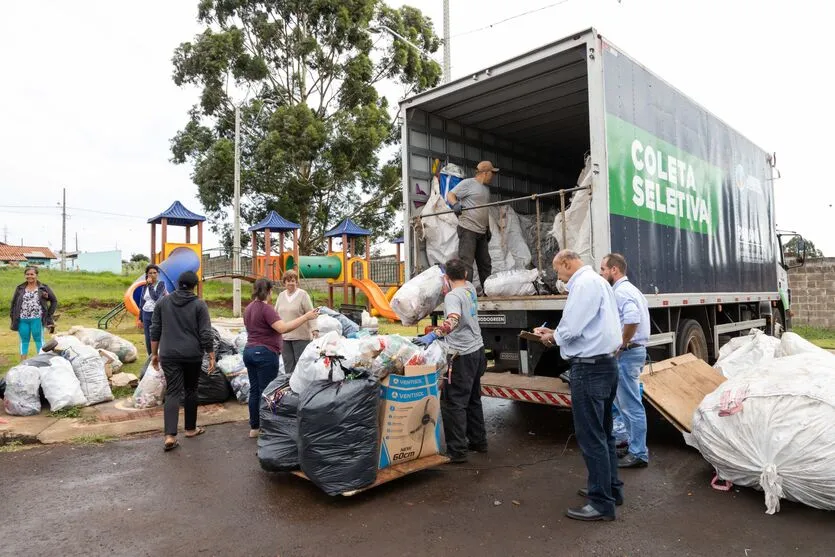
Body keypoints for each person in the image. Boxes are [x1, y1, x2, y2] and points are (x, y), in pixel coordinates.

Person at [533, 250, 623, 522]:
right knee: (604, 433)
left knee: (592, 437)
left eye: (558, 271)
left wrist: (552, 338)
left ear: (566, 263)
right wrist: (557, 333)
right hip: (606, 365)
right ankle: (610, 490)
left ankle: (601, 503)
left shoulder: (583, 284)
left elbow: (571, 328)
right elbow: (584, 326)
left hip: (589, 368)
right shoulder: (598, 283)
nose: (558, 277)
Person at [413, 258, 487, 464]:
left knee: (454, 403)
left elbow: (453, 320)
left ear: (446, 278)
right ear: (464, 275)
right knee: (473, 399)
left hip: (461, 355)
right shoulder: (470, 289)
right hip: (477, 351)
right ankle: (479, 442)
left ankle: (457, 451)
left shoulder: (453, 297)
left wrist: (434, 334)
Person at [244, 278, 318, 438]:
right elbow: (283, 328)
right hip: (264, 354)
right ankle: (267, 428)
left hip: (249, 351)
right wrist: (306, 317)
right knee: (267, 391)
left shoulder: (249, 308)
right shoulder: (266, 309)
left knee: (255, 390)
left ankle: (254, 427)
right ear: (268, 291)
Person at [150, 271, 214, 452]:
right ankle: (191, 429)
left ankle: (170, 436)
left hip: (169, 354)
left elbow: (155, 329)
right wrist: (211, 353)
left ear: (178, 284)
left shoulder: (163, 302)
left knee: (172, 392)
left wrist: (155, 354)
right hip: (192, 354)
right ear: (195, 285)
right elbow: (205, 333)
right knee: (191, 389)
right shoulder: (199, 305)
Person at [600, 253, 650, 469]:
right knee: (624, 404)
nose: (601, 273)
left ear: (614, 270)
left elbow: (632, 319)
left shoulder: (620, 292)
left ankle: (639, 453)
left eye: (603, 269)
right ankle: (632, 445)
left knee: (630, 406)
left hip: (628, 354)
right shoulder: (631, 290)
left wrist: (621, 343)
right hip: (632, 353)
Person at [446, 161, 498, 287]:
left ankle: (488, 290)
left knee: (485, 263)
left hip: (482, 231)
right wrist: (455, 204)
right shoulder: (468, 183)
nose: (493, 176)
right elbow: (450, 194)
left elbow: (482, 210)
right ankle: (466, 292)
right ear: (485, 173)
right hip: (468, 229)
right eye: (492, 173)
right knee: (466, 263)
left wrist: (487, 229)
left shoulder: (486, 189)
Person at [10, 266, 58, 361]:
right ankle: (22, 363)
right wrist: (13, 317)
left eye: (32, 274)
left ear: (36, 275)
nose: (29, 276)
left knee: (39, 340)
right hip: (22, 320)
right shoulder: (20, 288)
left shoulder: (43, 288)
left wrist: (49, 315)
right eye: (27, 274)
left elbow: (54, 301)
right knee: (24, 341)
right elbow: (13, 303)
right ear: (25, 275)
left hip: (37, 319)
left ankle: (41, 360)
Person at [274, 270, 314, 375]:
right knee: (288, 366)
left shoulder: (303, 295)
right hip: (285, 337)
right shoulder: (281, 296)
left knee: (301, 365)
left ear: (297, 282)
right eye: (288, 281)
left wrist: (315, 329)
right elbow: (275, 314)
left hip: (301, 337)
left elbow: (311, 313)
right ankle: (289, 387)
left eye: (293, 281)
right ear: (284, 283)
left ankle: (301, 389)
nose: (291, 283)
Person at [140, 264, 167, 356]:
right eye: (150, 273)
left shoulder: (161, 284)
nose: (152, 275)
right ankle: (150, 357)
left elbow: (156, 297)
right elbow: (142, 301)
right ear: (147, 275)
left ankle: (159, 355)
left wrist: (150, 285)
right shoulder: (144, 287)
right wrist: (140, 318)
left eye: (154, 273)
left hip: (157, 313)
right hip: (146, 313)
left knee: (156, 335)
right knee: (148, 337)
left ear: (158, 274)